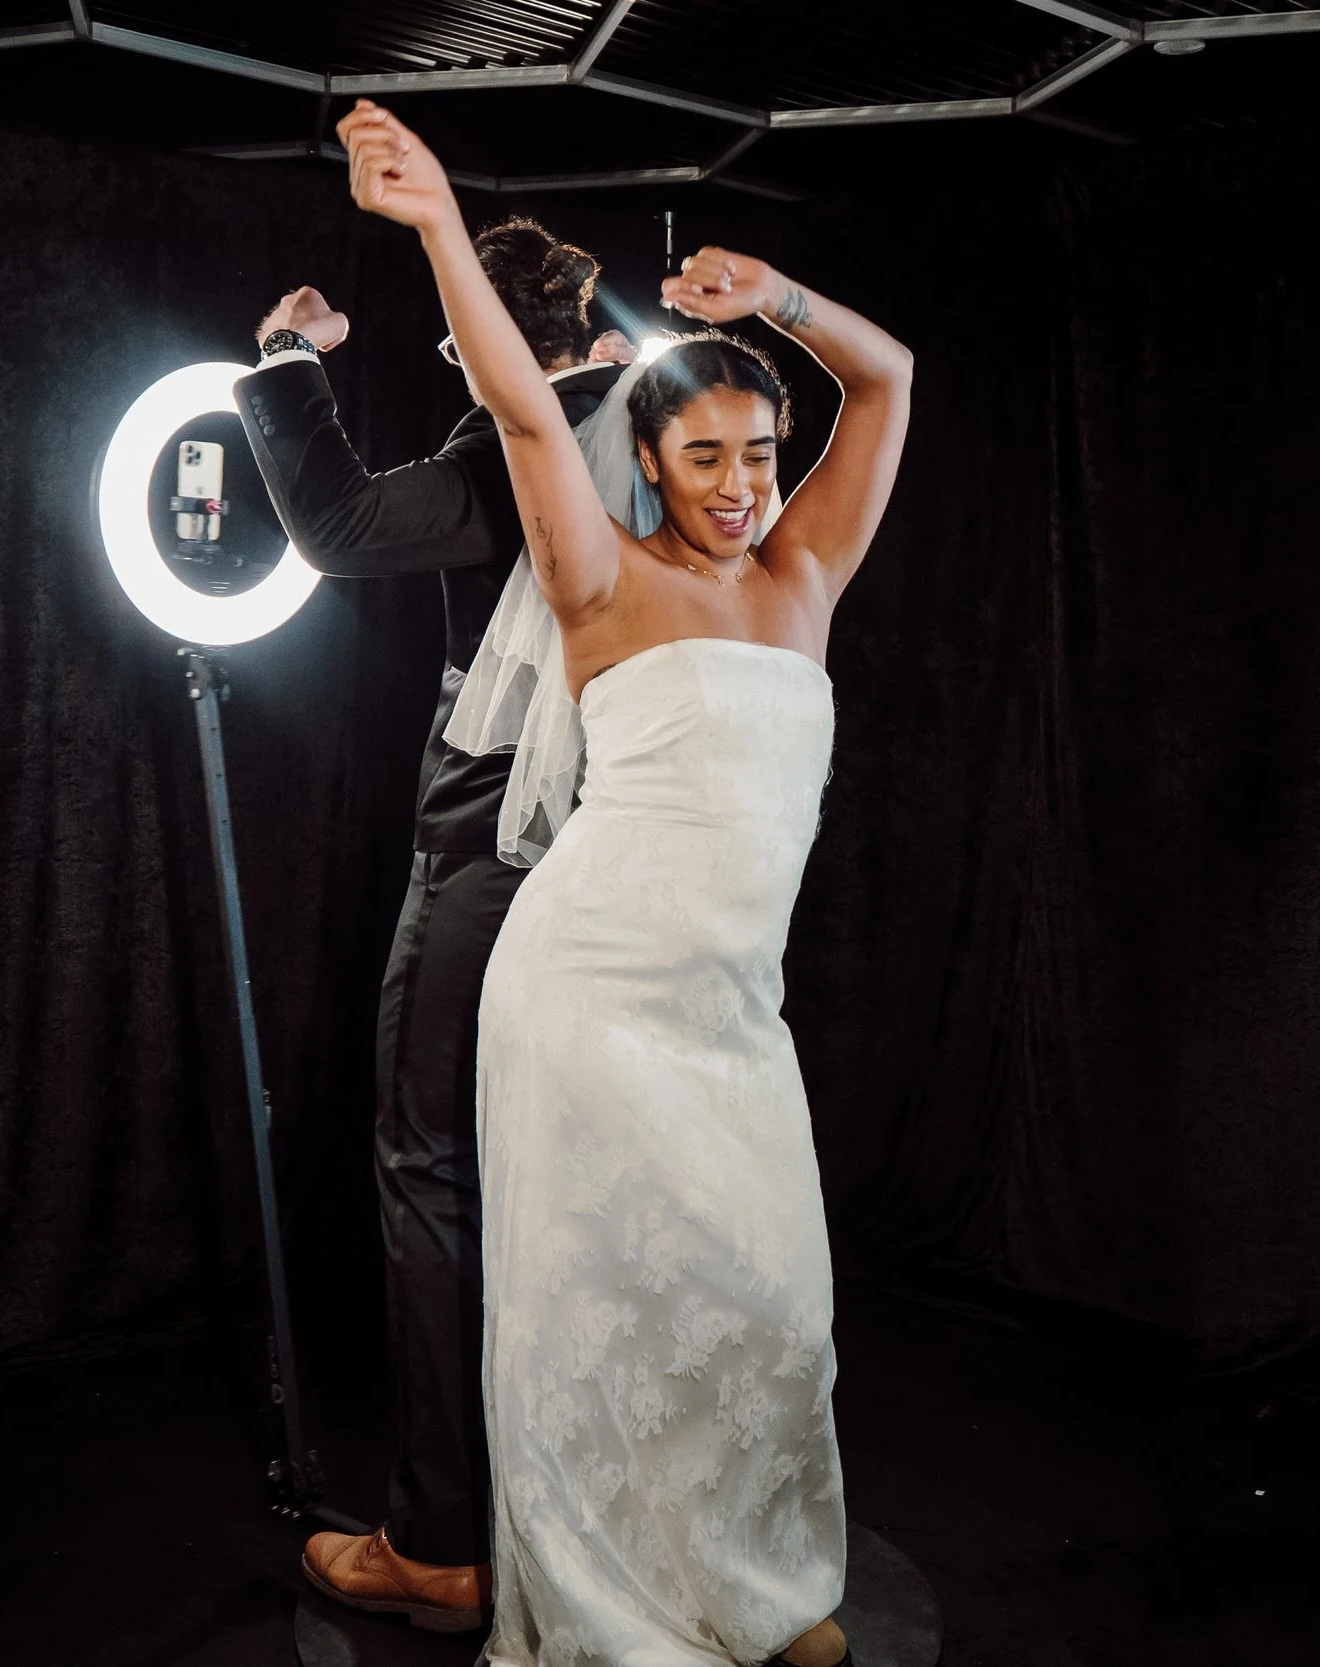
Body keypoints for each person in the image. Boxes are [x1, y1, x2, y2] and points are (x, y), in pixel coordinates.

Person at [338, 97, 912, 1667]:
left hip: (729, 1018)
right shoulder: (603, 577)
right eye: (704, 456)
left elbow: (890, 374)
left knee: (765, 1310)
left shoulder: (802, 578)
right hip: (584, 996)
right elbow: (530, 414)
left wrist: (775, 301)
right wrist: (443, 221)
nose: (738, 482)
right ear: (648, 461)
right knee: (596, 1330)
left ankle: (750, 1576)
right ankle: (611, 1600)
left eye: (758, 453)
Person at [233, 219, 635, 1633]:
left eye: (463, 350)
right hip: (646, 852)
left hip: (504, 844)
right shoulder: (683, 427)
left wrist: (286, 361)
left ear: (480, 347)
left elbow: (337, 526)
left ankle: (446, 1537)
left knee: (432, 1161)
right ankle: (588, 1507)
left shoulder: (521, 444)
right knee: (588, 1177)